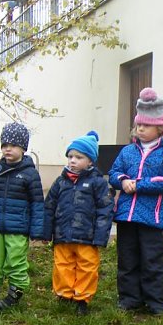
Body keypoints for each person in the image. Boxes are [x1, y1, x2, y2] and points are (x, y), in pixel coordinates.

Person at [109, 88, 163, 314]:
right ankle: (129, 299)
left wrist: (139, 184)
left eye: (146, 125)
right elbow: (114, 172)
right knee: (127, 260)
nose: (140, 129)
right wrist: (122, 181)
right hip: (126, 216)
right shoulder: (127, 151)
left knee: (152, 261)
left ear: (160, 127)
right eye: (138, 125)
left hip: (152, 217)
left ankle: (157, 302)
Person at [40, 131, 113, 315]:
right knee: (62, 265)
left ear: (90, 161)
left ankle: (82, 298)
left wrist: (101, 236)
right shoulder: (60, 182)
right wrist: (46, 232)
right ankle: (64, 294)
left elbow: (105, 209)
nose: (72, 160)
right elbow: (49, 206)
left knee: (87, 266)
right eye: (70, 156)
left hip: (87, 236)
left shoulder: (98, 182)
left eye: (78, 157)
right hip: (62, 234)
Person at [0, 122, 44, 311]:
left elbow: (37, 203)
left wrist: (37, 229)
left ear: (23, 148)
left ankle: (14, 294)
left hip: (18, 228)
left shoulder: (30, 174)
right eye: (4, 145)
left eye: (13, 145)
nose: (8, 149)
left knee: (16, 261)